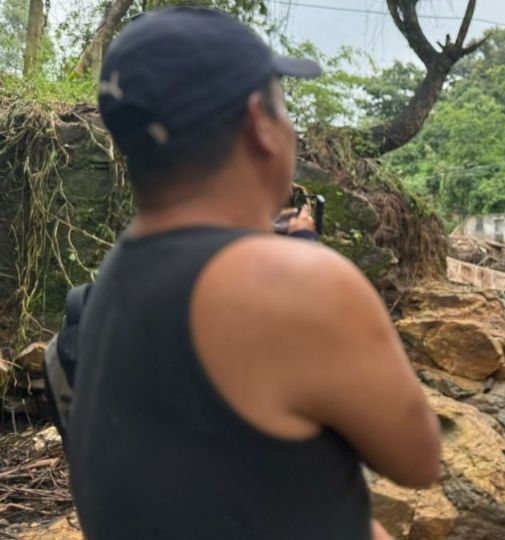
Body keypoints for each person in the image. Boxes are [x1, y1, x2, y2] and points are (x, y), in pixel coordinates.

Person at [66, 7, 440, 540]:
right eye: (284, 106)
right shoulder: (298, 284)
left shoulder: (115, 276)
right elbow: (417, 460)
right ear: (259, 125)